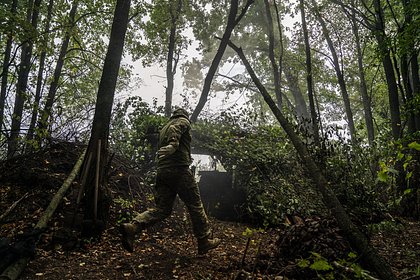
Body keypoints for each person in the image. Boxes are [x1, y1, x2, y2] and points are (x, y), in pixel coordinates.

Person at [120, 108, 220, 254]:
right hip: (179, 170)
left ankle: (133, 226)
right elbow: (176, 128)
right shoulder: (182, 121)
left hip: (163, 171)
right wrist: (174, 145)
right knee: (195, 206)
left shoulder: (164, 128)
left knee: (162, 209)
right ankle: (204, 241)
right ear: (184, 116)